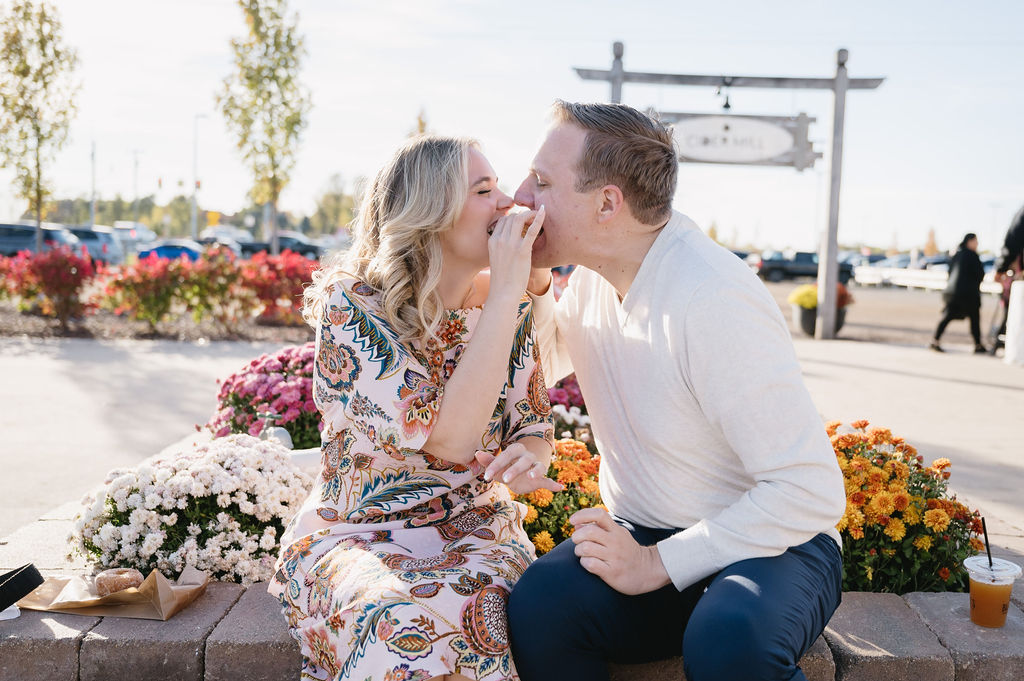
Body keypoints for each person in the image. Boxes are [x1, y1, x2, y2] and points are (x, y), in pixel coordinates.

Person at [506, 101, 846, 681]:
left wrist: (658, 562)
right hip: (647, 539)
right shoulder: (591, 279)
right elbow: (540, 363)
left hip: (772, 548)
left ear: (608, 203)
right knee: (540, 608)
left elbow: (809, 490)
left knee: (728, 642)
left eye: (541, 182)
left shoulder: (712, 296)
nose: (521, 196)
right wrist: (533, 278)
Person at [268, 135, 559, 681]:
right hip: (355, 533)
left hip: (477, 529)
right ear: (430, 213)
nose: (505, 204)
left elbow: (533, 422)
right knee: (394, 620)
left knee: (481, 613)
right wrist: (504, 297)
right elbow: (447, 440)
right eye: (484, 190)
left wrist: (529, 455)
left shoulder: (509, 303)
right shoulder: (351, 304)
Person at [930, 232, 986, 353]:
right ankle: (978, 344)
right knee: (974, 319)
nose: (977, 244)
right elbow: (980, 274)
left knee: (947, 316)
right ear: (969, 241)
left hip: (953, 293)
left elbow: (950, 272)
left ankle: (935, 340)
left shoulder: (957, 254)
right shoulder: (972, 255)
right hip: (968, 294)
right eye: (975, 241)